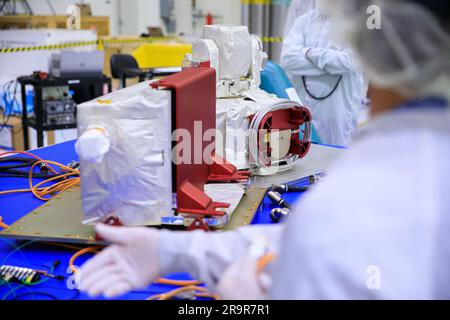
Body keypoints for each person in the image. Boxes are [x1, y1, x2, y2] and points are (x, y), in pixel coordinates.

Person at [78, 0, 450, 300]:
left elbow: (326, 243)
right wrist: (177, 252)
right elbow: (304, 244)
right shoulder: (401, 183)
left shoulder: (347, 207)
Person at [281, 4, 367, 146]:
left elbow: (349, 61)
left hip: (338, 114)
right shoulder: (304, 21)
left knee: (337, 160)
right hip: (306, 109)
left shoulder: (355, 24)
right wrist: (330, 64)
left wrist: (307, 52)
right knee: (308, 155)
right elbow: (288, 60)